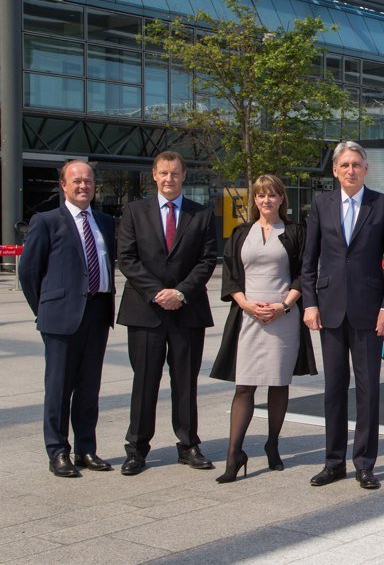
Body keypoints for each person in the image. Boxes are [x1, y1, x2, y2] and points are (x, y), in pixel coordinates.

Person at [302, 141, 384, 490]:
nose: (350, 170)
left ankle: (364, 464)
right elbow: (308, 261)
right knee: (333, 391)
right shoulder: (320, 204)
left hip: (369, 313)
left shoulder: (383, 205)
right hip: (328, 311)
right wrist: (309, 303)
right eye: (344, 165)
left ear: (366, 169)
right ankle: (333, 463)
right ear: (335, 170)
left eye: (356, 164)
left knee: (367, 391)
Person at [117, 151, 218, 476]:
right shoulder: (134, 211)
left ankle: (188, 445)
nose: (169, 179)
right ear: (154, 175)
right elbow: (127, 258)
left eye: (175, 173)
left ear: (184, 175)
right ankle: (136, 449)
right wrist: (157, 293)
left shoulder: (201, 215)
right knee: (145, 381)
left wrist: (181, 292)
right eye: (163, 173)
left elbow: (207, 260)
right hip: (145, 310)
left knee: (186, 381)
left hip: (187, 311)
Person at [210, 175, 317, 483]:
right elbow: (230, 277)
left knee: (278, 383)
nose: (266, 200)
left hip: (283, 317)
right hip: (249, 317)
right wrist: (246, 305)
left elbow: (303, 274)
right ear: (254, 200)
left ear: (282, 199)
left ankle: (272, 444)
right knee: (243, 386)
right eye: (260, 196)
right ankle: (235, 454)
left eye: (272, 195)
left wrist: (284, 305)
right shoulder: (241, 233)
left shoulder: (296, 232)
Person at [19, 161, 116, 477]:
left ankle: (86, 449)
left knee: (89, 388)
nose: (83, 186)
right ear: (63, 185)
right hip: (61, 317)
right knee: (59, 388)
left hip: (98, 313)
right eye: (76, 181)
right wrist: (45, 308)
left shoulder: (104, 221)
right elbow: (28, 272)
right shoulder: (46, 221)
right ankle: (58, 451)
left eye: (88, 180)